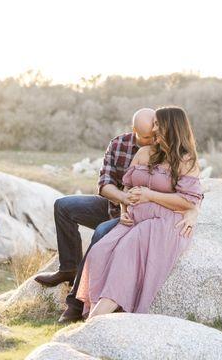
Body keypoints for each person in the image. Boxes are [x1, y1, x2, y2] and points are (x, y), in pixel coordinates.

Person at [34, 107, 200, 322]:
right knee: (64, 206)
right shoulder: (122, 145)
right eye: (147, 134)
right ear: (135, 131)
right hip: (115, 207)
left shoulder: (181, 158)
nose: (152, 136)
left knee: (102, 235)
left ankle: (76, 304)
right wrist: (124, 203)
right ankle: (68, 269)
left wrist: (192, 211)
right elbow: (107, 185)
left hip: (151, 219)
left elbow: (191, 195)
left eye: (155, 129)